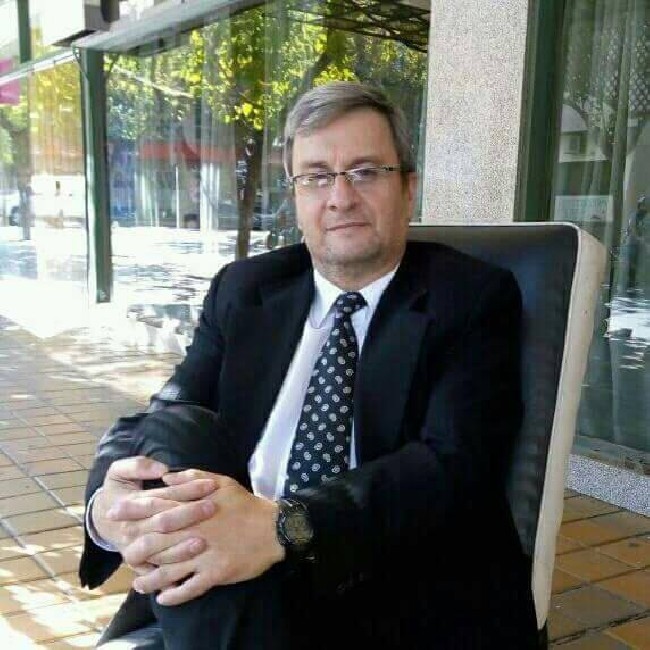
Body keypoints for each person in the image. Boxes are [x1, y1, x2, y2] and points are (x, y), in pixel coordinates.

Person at [79, 81, 538, 649]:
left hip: (387, 579)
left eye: (365, 171)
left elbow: (452, 465)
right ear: (296, 197)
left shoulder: (471, 297)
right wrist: (108, 508)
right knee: (178, 428)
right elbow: (168, 414)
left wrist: (281, 526)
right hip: (231, 563)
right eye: (317, 176)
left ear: (408, 188)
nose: (340, 197)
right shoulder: (245, 289)